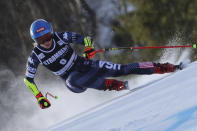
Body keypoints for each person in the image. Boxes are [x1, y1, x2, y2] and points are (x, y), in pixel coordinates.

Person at [24, 19, 181, 109]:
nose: (45, 42)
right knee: (73, 79)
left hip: (84, 64)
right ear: (35, 41)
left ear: (51, 33)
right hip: (72, 80)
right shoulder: (35, 56)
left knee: (122, 69)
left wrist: (89, 48)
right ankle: (113, 85)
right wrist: (39, 97)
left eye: (47, 37)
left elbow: (86, 39)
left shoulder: (61, 37)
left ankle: (167, 67)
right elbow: (28, 80)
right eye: (40, 40)